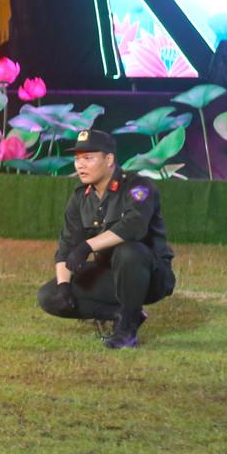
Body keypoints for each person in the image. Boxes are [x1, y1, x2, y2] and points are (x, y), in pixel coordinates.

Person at [37, 130, 176, 349]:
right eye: (77, 159)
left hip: (149, 277)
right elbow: (66, 246)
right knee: (48, 295)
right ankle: (122, 315)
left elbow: (133, 227)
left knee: (127, 251)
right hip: (111, 274)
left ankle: (127, 332)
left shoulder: (138, 187)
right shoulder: (80, 198)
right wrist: (64, 288)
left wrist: (87, 246)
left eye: (88, 158)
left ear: (109, 159)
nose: (80, 165)